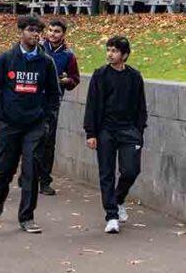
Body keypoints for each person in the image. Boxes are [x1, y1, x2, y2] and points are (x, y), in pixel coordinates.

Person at [0, 15, 60, 234]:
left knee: (31, 170)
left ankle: (27, 217)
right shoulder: (6, 59)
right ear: (21, 32)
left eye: (38, 31)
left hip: (34, 125)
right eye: (31, 30)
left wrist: (46, 120)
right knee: (5, 169)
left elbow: (54, 94)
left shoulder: (46, 62)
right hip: (8, 124)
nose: (35, 34)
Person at [84, 36, 147, 234]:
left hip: (129, 130)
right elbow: (92, 104)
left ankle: (119, 199)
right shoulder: (100, 75)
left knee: (131, 170)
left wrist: (138, 130)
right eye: (108, 50)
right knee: (106, 173)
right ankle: (111, 215)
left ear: (124, 55)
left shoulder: (134, 76)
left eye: (114, 51)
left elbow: (140, 105)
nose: (110, 54)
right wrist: (91, 132)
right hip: (106, 131)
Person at [38, 19, 80, 196]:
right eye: (51, 30)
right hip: (32, 100)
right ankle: (28, 174)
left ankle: (44, 180)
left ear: (63, 34)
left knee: (48, 141)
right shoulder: (38, 48)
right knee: (30, 140)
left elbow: (75, 78)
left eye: (57, 31)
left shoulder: (68, 55)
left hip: (53, 103)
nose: (53, 34)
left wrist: (66, 81)